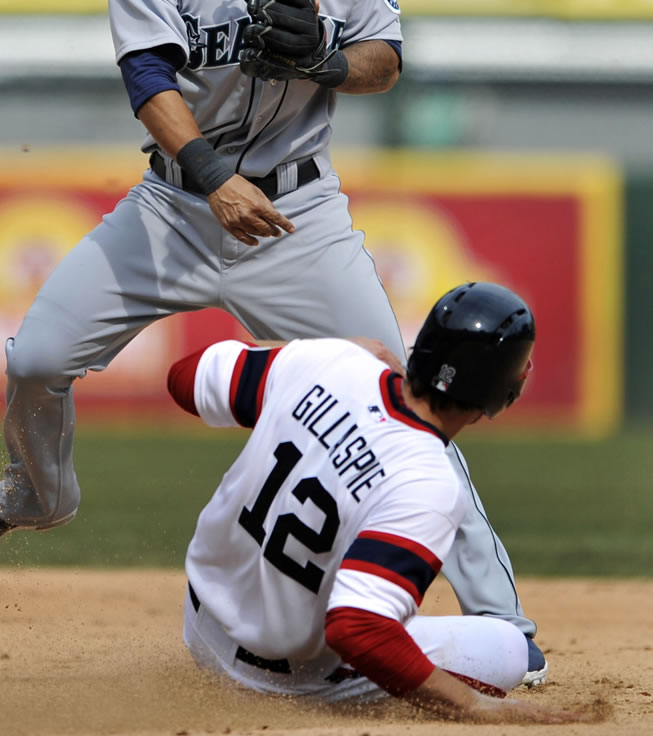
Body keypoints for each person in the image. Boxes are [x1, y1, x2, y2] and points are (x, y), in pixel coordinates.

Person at [0, 0, 545, 686]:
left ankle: (504, 624)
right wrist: (212, 178)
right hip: (176, 204)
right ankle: (36, 493)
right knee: (33, 359)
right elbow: (147, 78)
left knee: (411, 420)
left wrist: (331, 59)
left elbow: (386, 62)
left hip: (299, 215)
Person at [167, 282, 590, 722]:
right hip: (277, 679)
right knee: (509, 651)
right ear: (500, 391)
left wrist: (311, 352)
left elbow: (183, 378)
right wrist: (473, 706)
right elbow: (357, 628)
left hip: (199, 625)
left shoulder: (329, 362)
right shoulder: (428, 482)